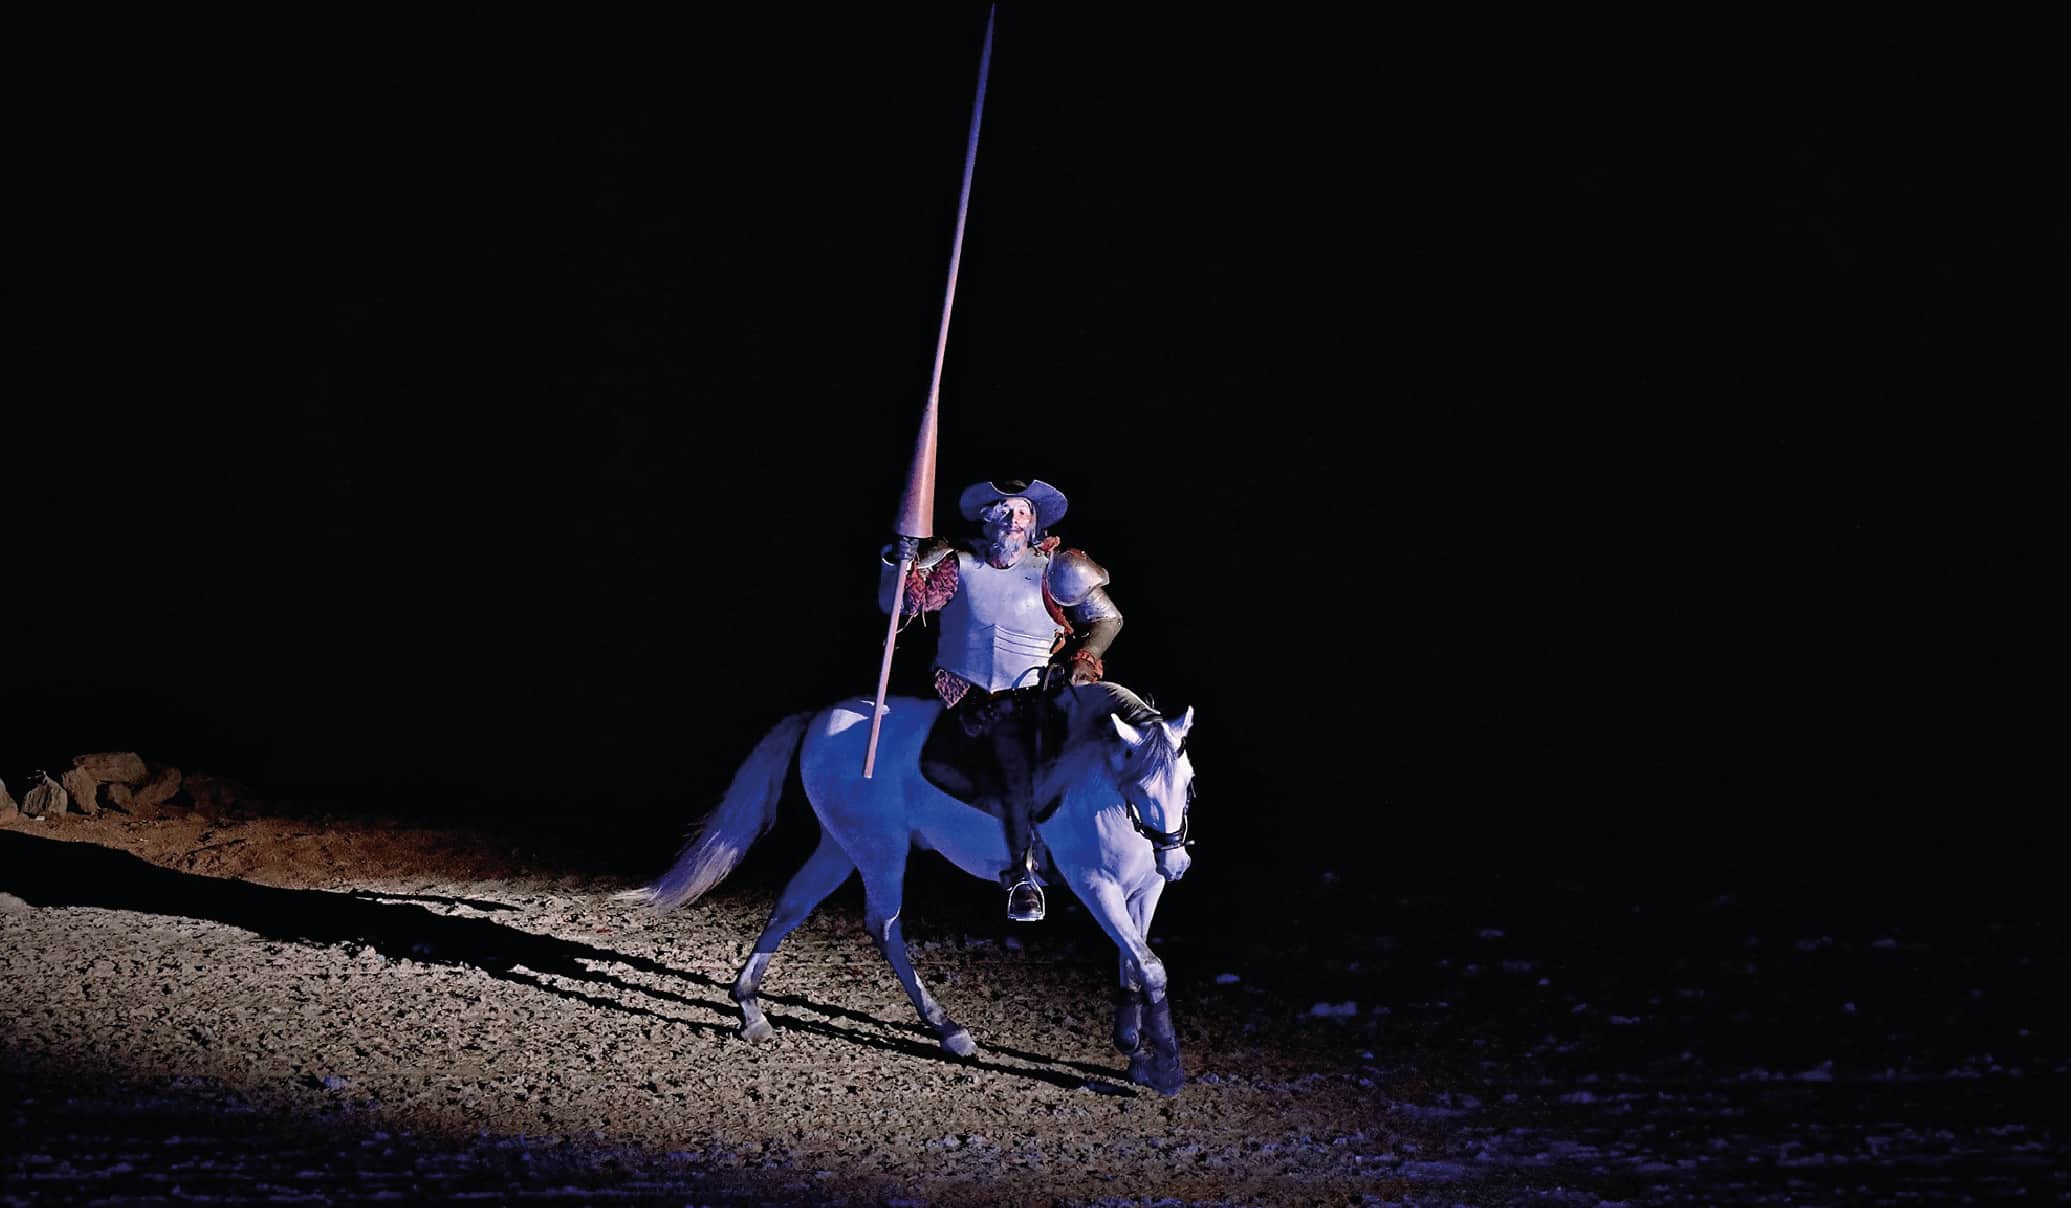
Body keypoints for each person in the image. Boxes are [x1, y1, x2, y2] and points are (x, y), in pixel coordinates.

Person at [879, 478, 1123, 921]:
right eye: (1005, 511)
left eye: (1023, 512)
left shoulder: (1056, 569)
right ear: (987, 518)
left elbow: (1108, 618)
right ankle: (1014, 872)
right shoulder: (957, 564)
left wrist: (1086, 655)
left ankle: (1117, 850)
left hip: (1032, 697)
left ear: (1034, 523)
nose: (1014, 520)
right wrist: (901, 563)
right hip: (964, 694)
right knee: (1004, 759)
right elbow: (905, 604)